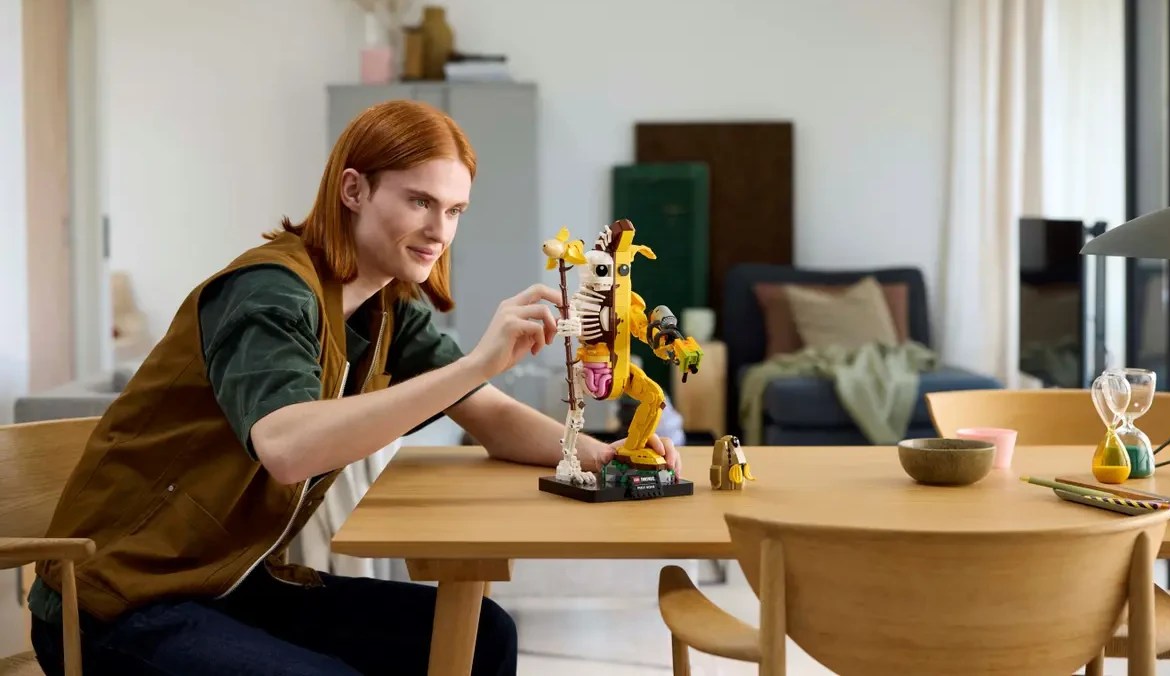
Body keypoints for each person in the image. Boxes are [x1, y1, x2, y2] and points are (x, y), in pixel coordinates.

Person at [27, 99, 681, 675]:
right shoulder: (268, 294)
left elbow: (487, 414)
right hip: (119, 602)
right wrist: (478, 360)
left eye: (454, 209)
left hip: (234, 583)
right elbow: (285, 445)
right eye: (419, 201)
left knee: (482, 636)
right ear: (353, 190)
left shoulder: (389, 305)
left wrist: (609, 454)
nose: (439, 229)